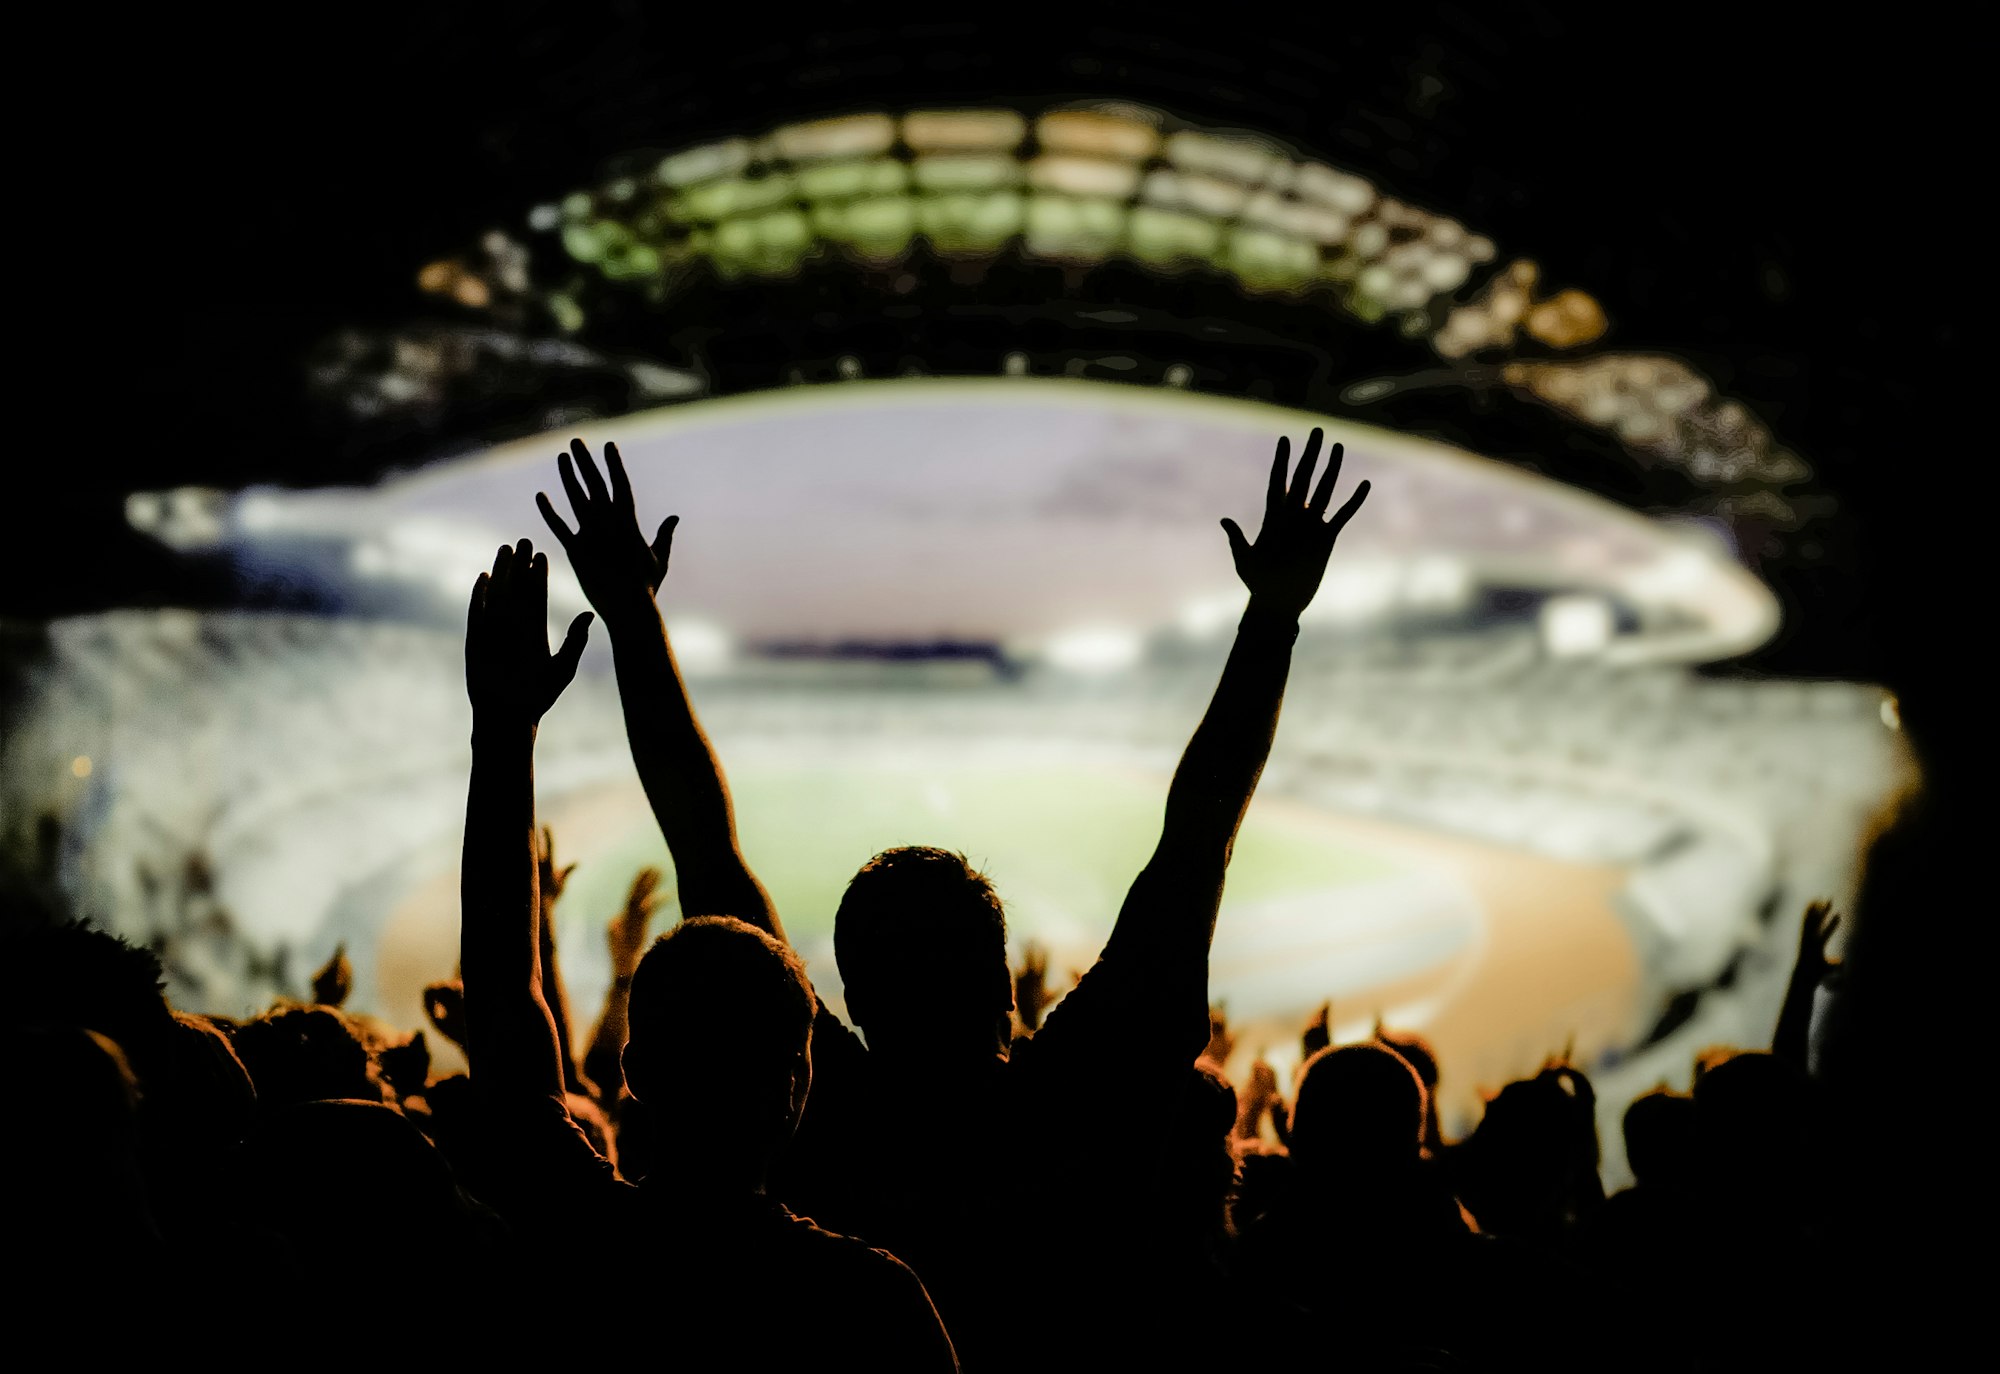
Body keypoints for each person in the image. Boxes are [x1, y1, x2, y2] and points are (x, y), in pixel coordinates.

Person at [539, 431, 1368, 1367]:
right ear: (1008, 987)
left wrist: (629, 615)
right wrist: (1274, 615)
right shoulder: (1090, 1101)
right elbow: (1199, 839)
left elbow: (704, 848)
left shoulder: (820, 1115)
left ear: (842, 1005)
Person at [455, 538, 956, 1367]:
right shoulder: (875, 1303)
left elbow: (504, 999)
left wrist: (503, 735)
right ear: (798, 1086)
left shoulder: (569, 1230)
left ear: (635, 1071)